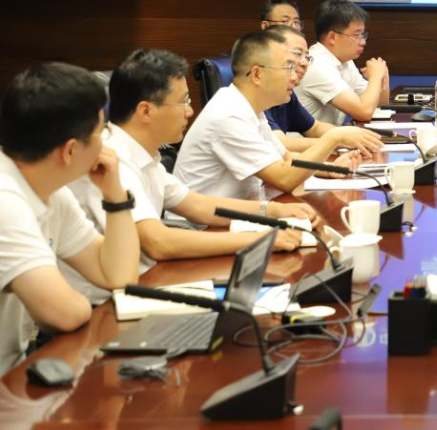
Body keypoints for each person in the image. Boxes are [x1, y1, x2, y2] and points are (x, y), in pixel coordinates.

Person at [66, 49, 314, 279]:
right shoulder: (112, 160)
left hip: (150, 277)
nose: (189, 111)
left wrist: (271, 211)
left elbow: (198, 205)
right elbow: (158, 242)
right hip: (113, 299)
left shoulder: (143, 153)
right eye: (183, 101)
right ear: (146, 111)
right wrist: (260, 239)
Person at [0, 64, 140, 373]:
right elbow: (63, 314)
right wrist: (76, 302)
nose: (107, 143)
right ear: (70, 151)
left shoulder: (51, 190)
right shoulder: (5, 199)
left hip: (16, 370)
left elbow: (118, 276)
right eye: (103, 132)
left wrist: (115, 195)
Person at [174, 30, 360, 201]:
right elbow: (284, 178)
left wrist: (330, 169)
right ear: (257, 74)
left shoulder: (251, 108)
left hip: (243, 212)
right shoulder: (229, 115)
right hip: (203, 224)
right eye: (288, 67)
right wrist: (334, 138)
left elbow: (286, 158)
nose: (294, 77)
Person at [262, 25, 383, 156]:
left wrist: (352, 135)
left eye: (307, 57)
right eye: (297, 54)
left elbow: (314, 128)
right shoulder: (254, 98)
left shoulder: (286, 92)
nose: (304, 63)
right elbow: (280, 144)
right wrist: (336, 139)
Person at [294, 0, 389, 125]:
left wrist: (382, 76)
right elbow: (364, 112)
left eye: (363, 35)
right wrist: (376, 77)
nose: (363, 42)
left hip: (328, 135)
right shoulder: (317, 65)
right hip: (306, 138)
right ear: (332, 37)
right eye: (356, 35)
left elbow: (380, 103)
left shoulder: (345, 61)